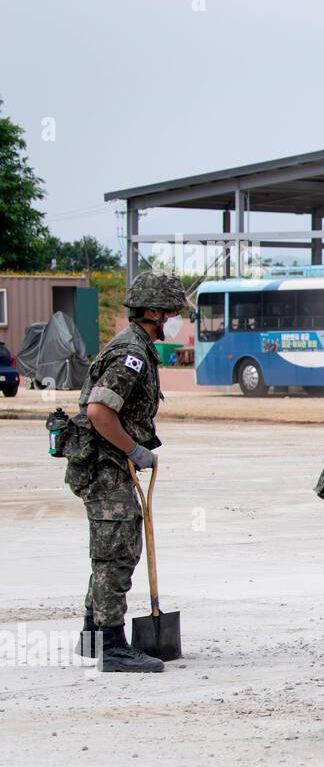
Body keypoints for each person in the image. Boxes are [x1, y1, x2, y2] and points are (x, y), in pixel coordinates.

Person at [68, 271, 188, 673]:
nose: (171, 319)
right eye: (168, 312)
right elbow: (99, 412)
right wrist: (133, 449)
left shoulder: (136, 347)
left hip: (111, 464)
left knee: (111, 550)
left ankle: (92, 635)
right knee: (117, 553)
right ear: (151, 311)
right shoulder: (129, 355)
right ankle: (111, 643)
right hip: (106, 467)